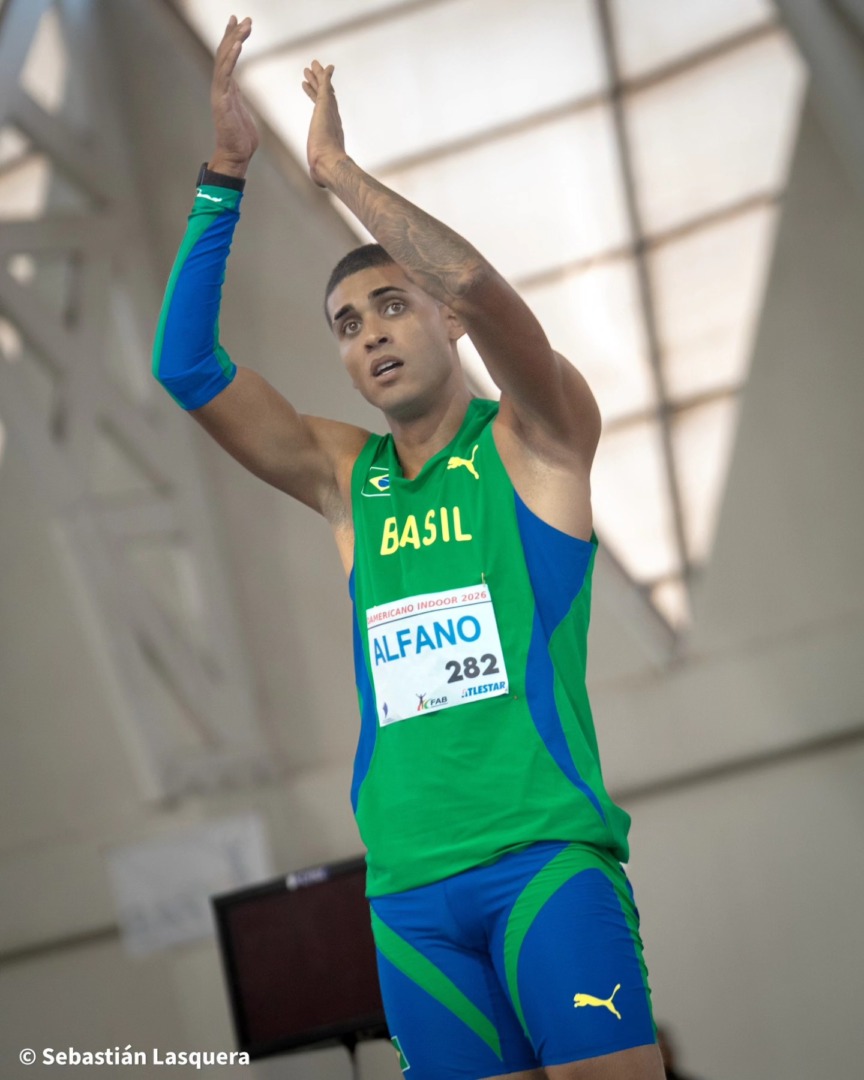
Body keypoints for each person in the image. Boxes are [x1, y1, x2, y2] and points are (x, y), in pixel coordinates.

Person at [153, 14, 664, 1080]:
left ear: (446, 327)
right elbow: (187, 366)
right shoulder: (348, 478)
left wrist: (335, 171)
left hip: (543, 866)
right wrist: (225, 173)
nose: (371, 332)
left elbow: (479, 285)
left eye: (393, 306)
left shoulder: (538, 440)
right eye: (347, 323)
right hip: (408, 897)